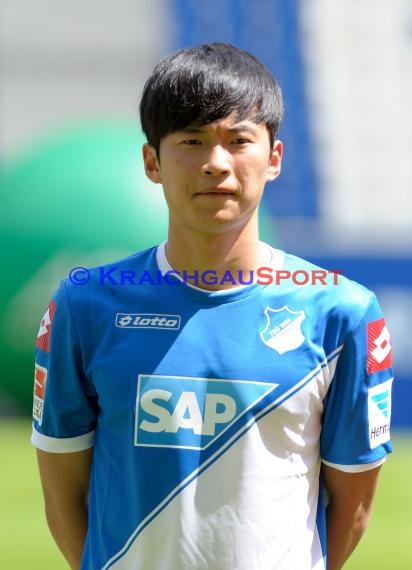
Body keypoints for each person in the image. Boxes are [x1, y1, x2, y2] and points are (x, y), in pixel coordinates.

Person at [32, 43, 394, 570]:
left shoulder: (342, 311)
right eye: (192, 141)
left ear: (274, 159)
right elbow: (62, 492)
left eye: (238, 140)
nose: (215, 164)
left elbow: (353, 505)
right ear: (152, 162)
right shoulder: (85, 304)